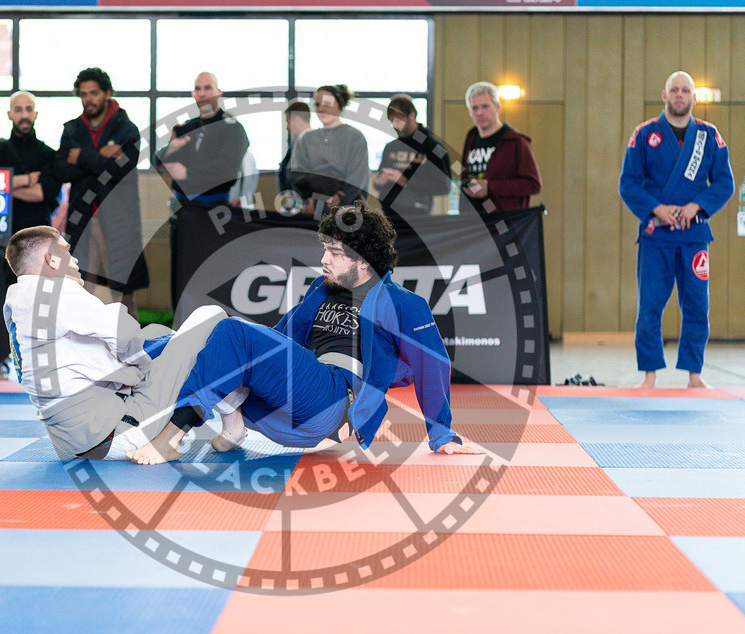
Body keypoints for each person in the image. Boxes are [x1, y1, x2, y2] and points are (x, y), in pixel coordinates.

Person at [127, 201, 483, 465]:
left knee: (233, 330)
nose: (324, 259)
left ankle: (171, 439)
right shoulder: (321, 289)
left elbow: (433, 367)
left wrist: (441, 434)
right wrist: (161, 348)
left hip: (331, 400)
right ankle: (225, 419)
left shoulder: (403, 304)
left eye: (335, 252)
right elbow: (279, 339)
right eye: (325, 249)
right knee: (208, 330)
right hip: (281, 408)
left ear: (363, 260)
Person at [3, 225, 244, 458]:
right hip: (117, 433)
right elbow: (124, 333)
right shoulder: (56, 291)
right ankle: (229, 428)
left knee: (157, 332)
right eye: (66, 251)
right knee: (211, 317)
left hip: (73, 442)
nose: (74, 259)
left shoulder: (17, 300)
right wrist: (141, 368)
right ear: (52, 260)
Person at [619, 71, 735, 389]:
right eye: (674, 90)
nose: (680, 95)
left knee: (697, 306)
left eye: (685, 90)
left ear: (694, 97)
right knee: (650, 307)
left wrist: (696, 206)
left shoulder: (709, 135)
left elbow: (725, 183)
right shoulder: (645, 133)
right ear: (664, 95)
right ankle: (650, 374)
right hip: (656, 235)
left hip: (694, 236)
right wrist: (657, 209)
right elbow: (628, 184)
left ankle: (694, 374)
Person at [55, 67, 147, 317]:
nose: (88, 99)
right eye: (84, 94)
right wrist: (98, 156)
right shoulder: (72, 129)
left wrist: (80, 157)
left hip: (118, 219)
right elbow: (60, 170)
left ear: (107, 93)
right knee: (80, 287)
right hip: (83, 218)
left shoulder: (127, 129)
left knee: (123, 293)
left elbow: (118, 171)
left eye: (94, 93)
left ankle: (130, 341)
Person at [155, 72, 250, 205]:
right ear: (193, 94)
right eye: (198, 89)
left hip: (214, 205)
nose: (202, 94)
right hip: (183, 205)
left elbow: (227, 169)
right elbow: (159, 163)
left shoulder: (232, 128)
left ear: (218, 92)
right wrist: (170, 149)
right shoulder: (187, 127)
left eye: (208, 88)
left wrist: (187, 173)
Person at [0, 91, 61, 236]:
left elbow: (42, 193)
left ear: (35, 114)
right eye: (18, 110)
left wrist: (1, 188)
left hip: (39, 234)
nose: (24, 115)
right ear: (9, 114)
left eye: (29, 109)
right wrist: (27, 180)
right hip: (1, 234)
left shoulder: (49, 154)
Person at [460, 82, 541, 214]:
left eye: (485, 106)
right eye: (475, 108)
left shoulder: (516, 141)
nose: (480, 112)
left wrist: (490, 187)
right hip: (474, 219)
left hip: (505, 219)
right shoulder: (471, 137)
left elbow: (533, 184)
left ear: (497, 107)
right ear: (469, 111)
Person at [289, 84, 369, 216]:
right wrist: (313, 200)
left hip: (348, 211)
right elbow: (297, 176)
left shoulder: (355, 137)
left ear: (340, 105)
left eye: (327, 104)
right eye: (317, 104)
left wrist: (337, 200)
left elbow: (357, 179)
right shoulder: (306, 139)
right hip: (313, 211)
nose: (321, 109)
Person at [373, 94, 451, 223]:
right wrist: (378, 182)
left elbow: (443, 186)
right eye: (391, 121)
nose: (395, 125)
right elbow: (379, 182)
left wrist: (405, 181)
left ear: (412, 115)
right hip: (389, 214)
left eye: (398, 121)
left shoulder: (432, 147)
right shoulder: (391, 147)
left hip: (417, 217)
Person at [278, 100, 311, 194]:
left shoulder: (308, 142)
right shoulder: (299, 142)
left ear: (297, 120)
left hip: (304, 197)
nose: (287, 127)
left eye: (288, 122)